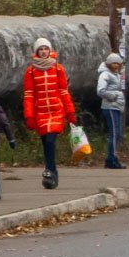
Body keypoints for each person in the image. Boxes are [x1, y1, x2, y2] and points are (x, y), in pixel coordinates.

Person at [23, 37, 76, 190]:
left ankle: (50, 171)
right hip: (40, 112)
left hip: (55, 110)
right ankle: (51, 173)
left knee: (50, 141)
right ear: (37, 52)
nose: (44, 51)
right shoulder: (31, 71)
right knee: (45, 143)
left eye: (46, 49)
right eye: (41, 49)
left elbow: (63, 91)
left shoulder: (58, 68)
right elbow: (29, 94)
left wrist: (70, 112)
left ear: (50, 50)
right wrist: (29, 115)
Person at [97, 53, 126, 169]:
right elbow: (100, 90)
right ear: (109, 63)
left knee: (117, 134)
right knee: (114, 134)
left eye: (118, 63)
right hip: (110, 106)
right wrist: (112, 96)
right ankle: (112, 160)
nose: (116, 65)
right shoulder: (105, 75)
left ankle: (111, 158)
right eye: (114, 63)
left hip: (116, 106)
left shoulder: (116, 75)